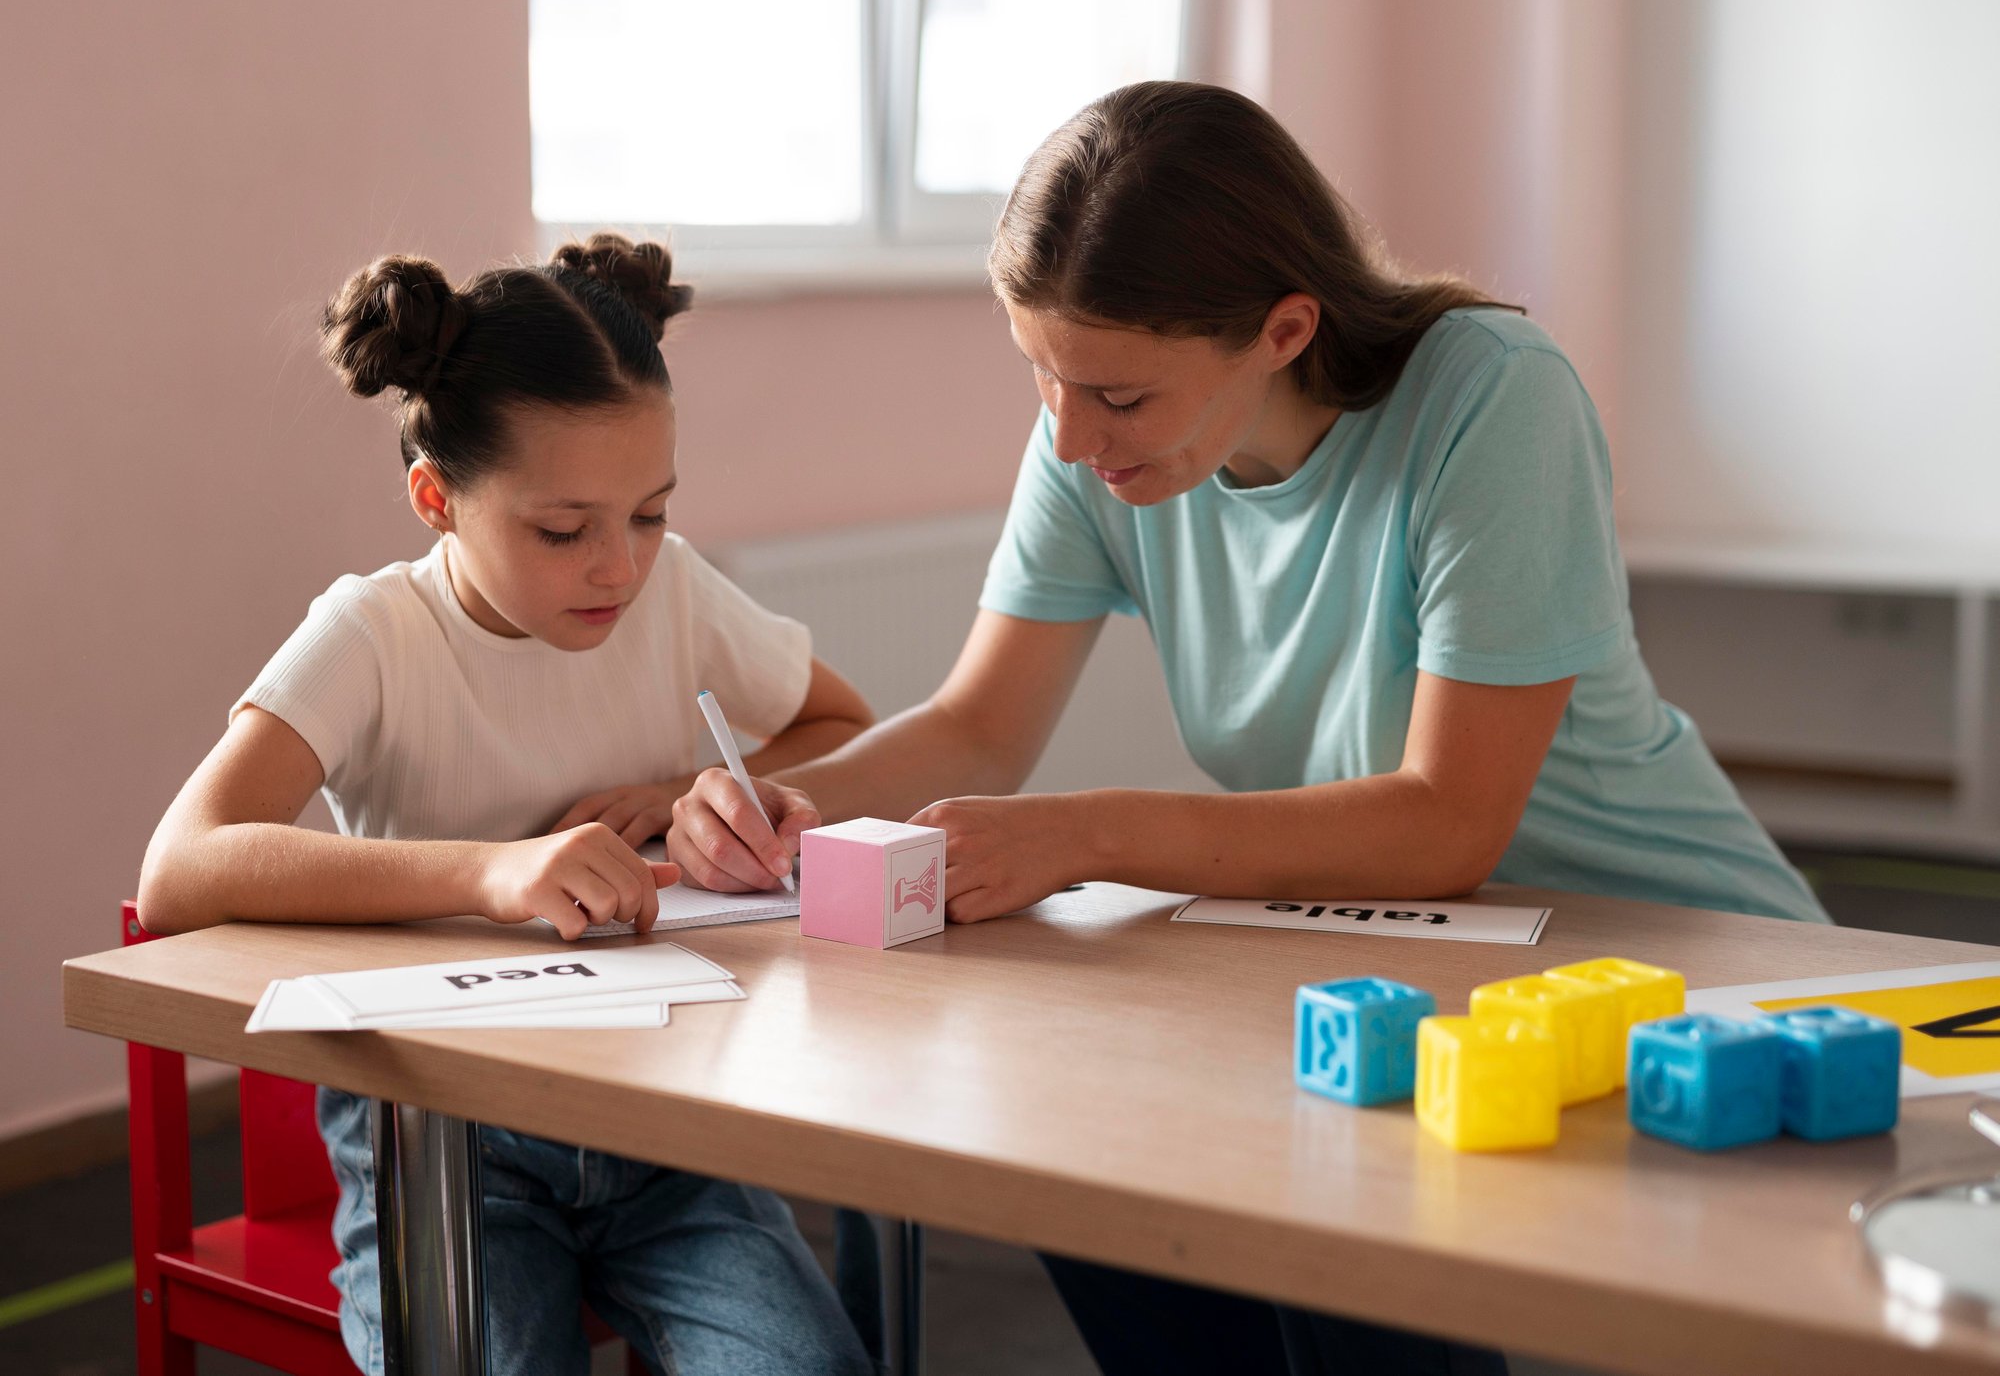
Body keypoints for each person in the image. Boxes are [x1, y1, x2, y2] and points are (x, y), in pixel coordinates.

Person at [666, 81, 1827, 1375]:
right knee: (1082, 1167)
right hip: (1417, 970)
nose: (1066, 433)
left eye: (1114, 395)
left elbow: (1446, 820)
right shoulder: (1095, 445)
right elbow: (979, 728)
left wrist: (1083, 836)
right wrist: (779, 802)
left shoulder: (1496, 400)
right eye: (1041, 376)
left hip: (1685, 960)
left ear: (1283, 329)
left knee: (1352, 1242)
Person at [138, 234, 876, 1376]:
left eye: (649, 512)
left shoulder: (668, 589)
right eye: (562, 528)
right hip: (444, 1142)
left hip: (662, 1118)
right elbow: (181, 867)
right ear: (436, 498)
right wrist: (488, 870)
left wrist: (695, 791)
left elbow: (844, 726)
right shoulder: (374, 632)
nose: (619, 569)